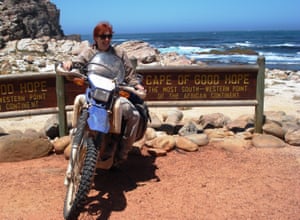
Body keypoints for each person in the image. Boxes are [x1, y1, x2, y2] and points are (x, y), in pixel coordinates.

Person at [62, 21, 146, 163]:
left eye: (109, 36)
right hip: (95, 93)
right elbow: (78, 62)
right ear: (95, 38)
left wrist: (137, 86)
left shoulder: (119, 53)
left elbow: (130, 75)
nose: (106, 40)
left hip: (115, 94)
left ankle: (122, 153)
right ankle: (76, 136)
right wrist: (69, 63)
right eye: (103, 36)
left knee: (135, 115)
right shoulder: (89, 52)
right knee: (79, 102)